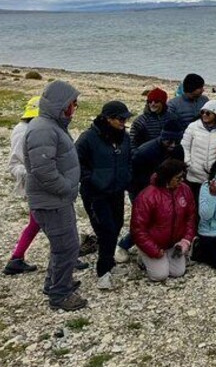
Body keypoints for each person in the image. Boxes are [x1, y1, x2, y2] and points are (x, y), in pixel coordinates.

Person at [24, 80, 86, 311]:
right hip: (52, 200)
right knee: (67, 247)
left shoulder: (52, 125)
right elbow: (43, 170)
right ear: (62, 104)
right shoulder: (43, 129)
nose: (74, 108)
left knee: (62, 245)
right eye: (73, 103)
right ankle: (60, 294)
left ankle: (53, 283)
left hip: (58, 199)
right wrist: (66, 187)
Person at [76, 100, 133, 290]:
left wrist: (127, 176)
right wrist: (92, 179)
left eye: (125, 118)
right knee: (106, 230)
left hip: (116, 190)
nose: (123, 122)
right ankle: (103, 273)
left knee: (116, 226)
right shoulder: (88, 138)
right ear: (107, 118)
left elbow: (129, 158)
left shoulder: (124, 137)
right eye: (120, 118)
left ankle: (109, 264)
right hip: (95, 193)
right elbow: (76, 163)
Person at [116, 119, 185, 262]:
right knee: (144, 223)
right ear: (162, 137)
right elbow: (134, 177)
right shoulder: (145, 152)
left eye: (176, 142)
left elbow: (179, 171)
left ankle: (154, 246)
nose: (172, 145)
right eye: (169, 141)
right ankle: (124, 245)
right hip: (141, 190)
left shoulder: (178, 150)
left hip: (166, 189)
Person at [130, 159, 196, 282]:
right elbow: (138, 229)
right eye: (178, 178)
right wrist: (153, 250)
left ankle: (163, 258)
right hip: (154, 243)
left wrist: (186, 241)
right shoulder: (147, 196)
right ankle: (143, 256)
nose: (182, 180)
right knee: (160, 276)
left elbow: (190, 218)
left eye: (182, 177)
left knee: (178, 272)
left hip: (174, 244)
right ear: (167, 178)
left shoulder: (185, 190)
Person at [4, 96, 43, 275]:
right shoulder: (23, 131)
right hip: (34, 182)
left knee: (37, 222)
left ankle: (16, 258)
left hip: (37, 181)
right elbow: (16, 162)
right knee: (47, 221)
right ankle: (16, 258)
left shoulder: (30, 128)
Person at [182, 99, 216, 201]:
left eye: (208, 113)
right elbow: (184, 146)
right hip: (193, 177)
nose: (204, 115)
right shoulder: (193, 127)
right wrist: (188, 164)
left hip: (212, 178)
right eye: (202, 112)